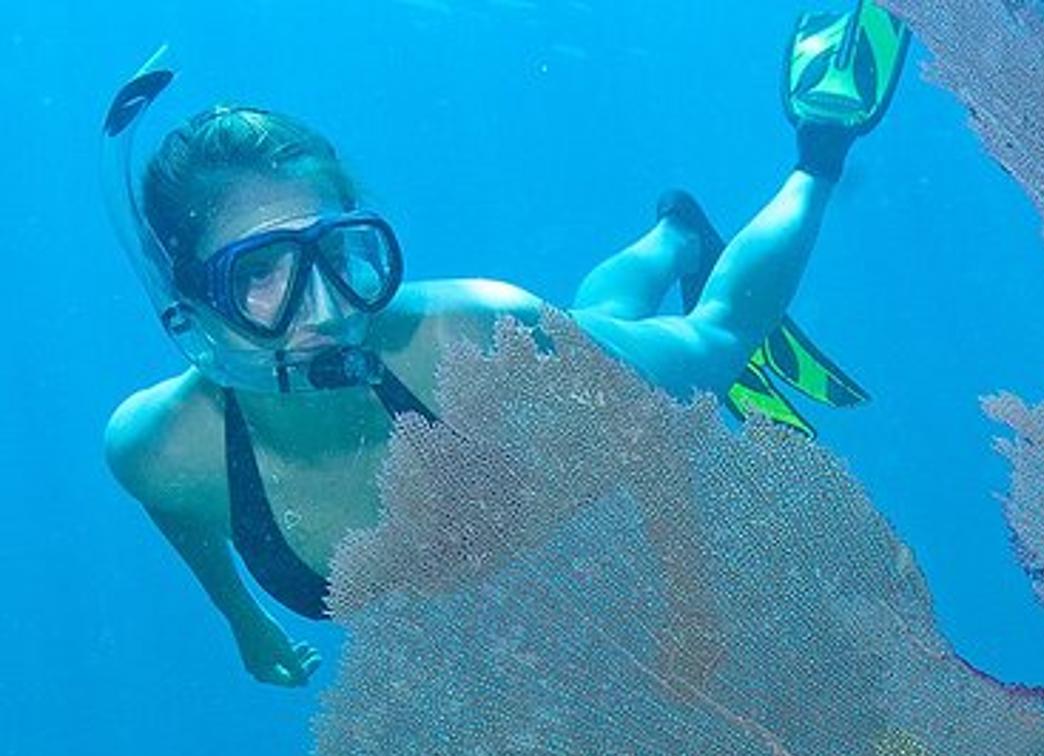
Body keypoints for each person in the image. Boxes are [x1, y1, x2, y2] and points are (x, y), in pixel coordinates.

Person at [100, 3, 909, 686]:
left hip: (545, 400)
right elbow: (187, 513)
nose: (324, 305)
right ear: (191, 304)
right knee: (596, 320)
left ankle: (820, 149)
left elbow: (645, 445)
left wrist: (689, 594)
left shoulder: (469, 334)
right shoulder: (157, 448)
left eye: (340, 253)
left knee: (716, 340)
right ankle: (674, 236)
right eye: (260, 272)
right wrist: (245, 623)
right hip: (531, 388)